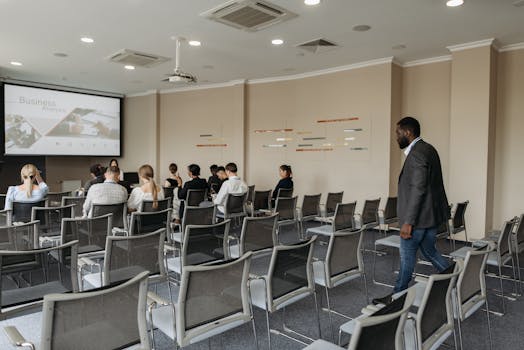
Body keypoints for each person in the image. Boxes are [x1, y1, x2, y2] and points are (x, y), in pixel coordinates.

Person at [373, 117, 450, 305]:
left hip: (417, 221)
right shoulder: (429, 149)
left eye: (397, 133)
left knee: (407, 260)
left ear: (408, 133)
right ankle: (455, 279)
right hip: (429, 217)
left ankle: (396, 298)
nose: (396, 137)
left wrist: (408, 221)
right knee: (430, 252)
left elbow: (418, 188)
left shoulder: (416, 154)